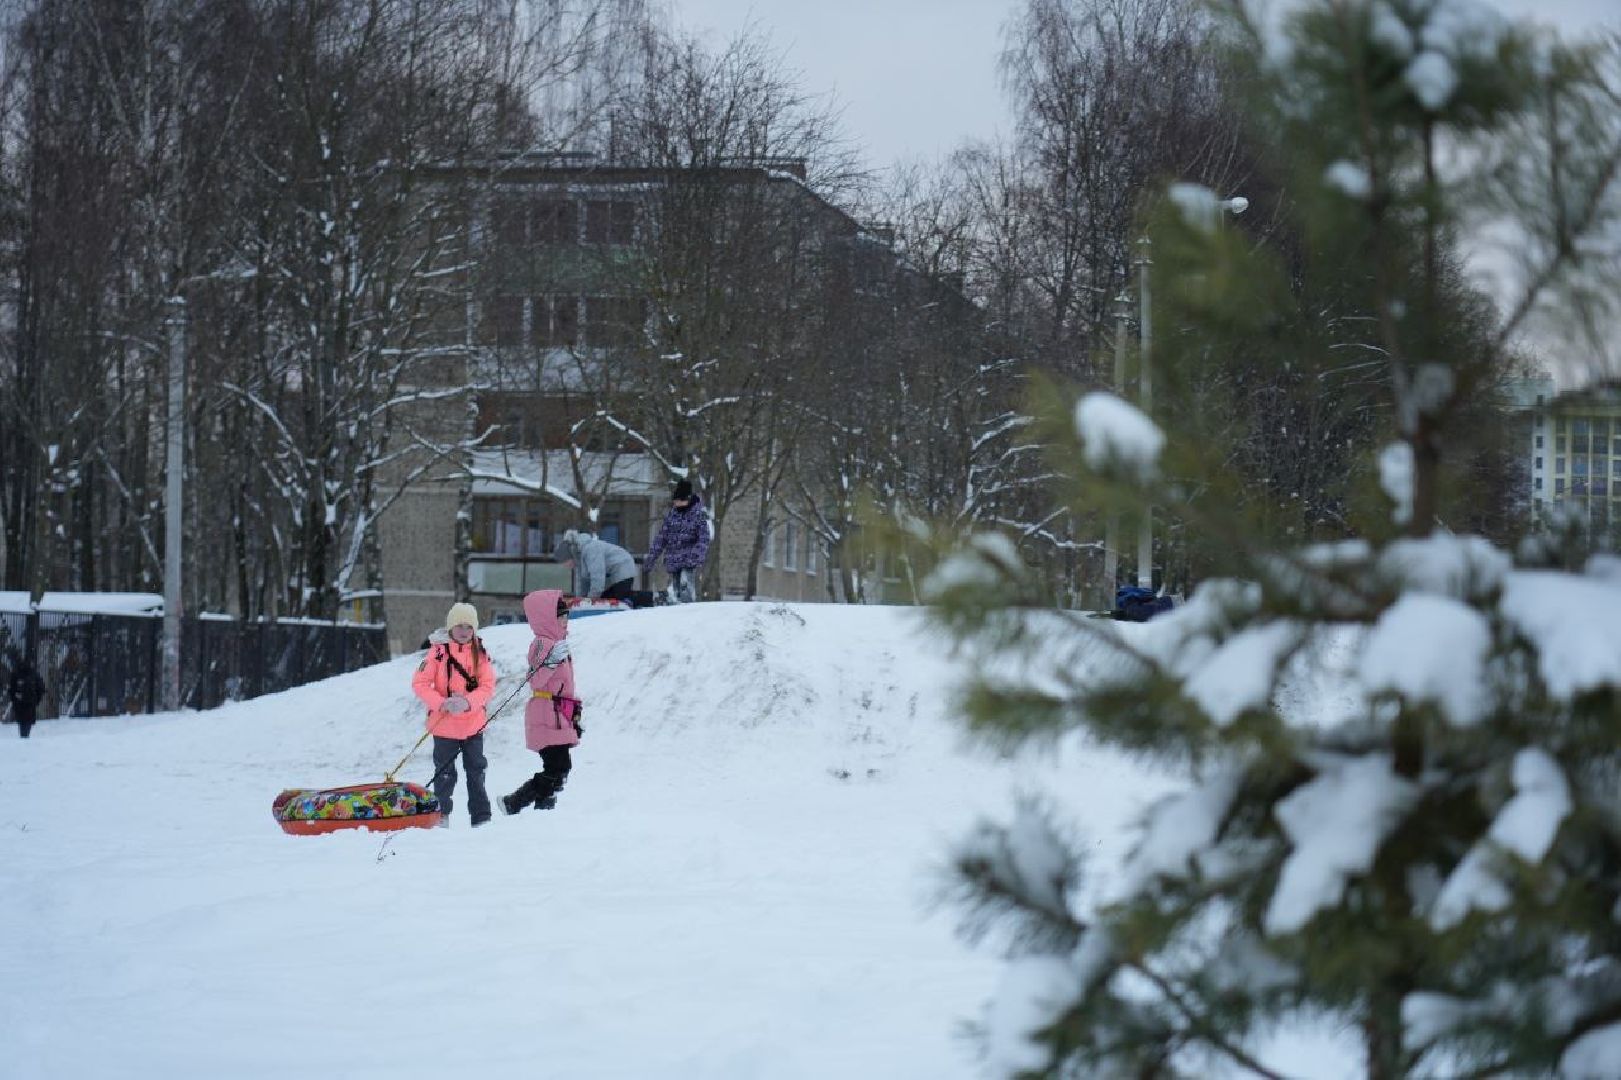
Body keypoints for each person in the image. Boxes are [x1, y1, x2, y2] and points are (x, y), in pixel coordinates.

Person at [411, 602, 496, 827]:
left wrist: (468, 703)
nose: (464, 631)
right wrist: (441, 703)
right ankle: (441, 816)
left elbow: (487, 686)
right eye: (460, 625)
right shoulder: (437, 653)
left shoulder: (481, 653)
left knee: (476, 771)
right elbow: (419, 683)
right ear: (450, 627)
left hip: (473, 724)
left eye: (469, 626)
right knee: (444, 774)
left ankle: (481, 817)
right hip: (444, 725)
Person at [502, 589, 582, 815]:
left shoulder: (558, 643)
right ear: (547, 618)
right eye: (561, 616)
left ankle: (543, 811)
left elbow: (566, 685)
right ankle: (515, 802)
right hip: (546, 713)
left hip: (559, 714)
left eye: (566, 616)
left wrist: (575, 715)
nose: (565, 621)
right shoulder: (542, 643)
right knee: (558, 767)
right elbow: (535, 680)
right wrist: (551, 662)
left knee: (559, 768)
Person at [644, 479, 710, 604]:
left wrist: (696, 555)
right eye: (675, 501)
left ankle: (687, 607)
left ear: (688, 499)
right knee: (676, 592)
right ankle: (677, 608)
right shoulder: (672, 515)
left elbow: (703, 538)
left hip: (688, 560)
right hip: (673, 561)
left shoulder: (698, 515)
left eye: (680, 500)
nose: (677, 503)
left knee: (686, 589)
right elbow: (662, 537)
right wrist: (652, 557)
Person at [553, 528, 638, 603]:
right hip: (611, 574)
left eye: (566, 562)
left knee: (617, 599)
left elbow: (597, 576)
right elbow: (582, 582)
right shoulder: (579, 558)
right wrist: (579, 600)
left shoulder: (591, 549)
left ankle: (648, 599)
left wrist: (590, 601)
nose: (566, 566)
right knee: (606, 599)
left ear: (569, 555)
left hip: (623, 566)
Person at [7, 653, 45, 739]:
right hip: (28, 702)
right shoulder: (33, 674)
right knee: (26, 722)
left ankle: (24, 736)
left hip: (22, 703)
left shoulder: (17, 673)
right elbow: (41, 688)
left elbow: (11, 689)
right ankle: (25, 736)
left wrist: (15, 699)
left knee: (23, 722)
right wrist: (36, 699)